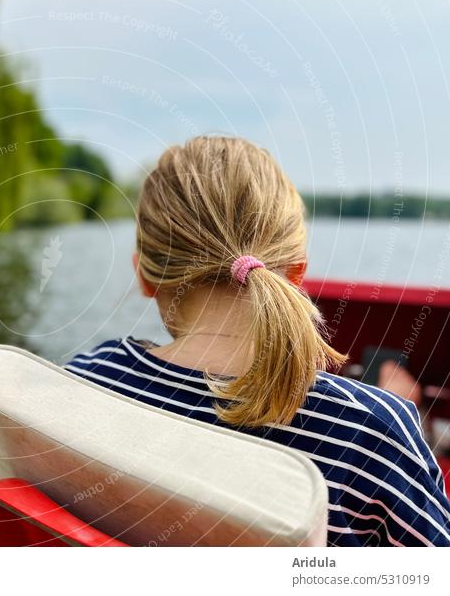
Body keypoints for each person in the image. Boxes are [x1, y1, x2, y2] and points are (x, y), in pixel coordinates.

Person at [65, 136, 450, 546]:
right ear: (298, 274)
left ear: (143, 274)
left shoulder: (81, 384)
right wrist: (414, 421)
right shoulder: (373, 433)